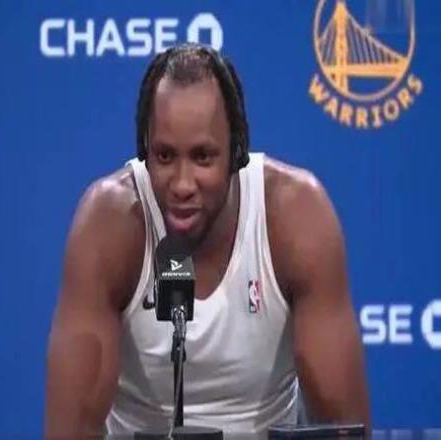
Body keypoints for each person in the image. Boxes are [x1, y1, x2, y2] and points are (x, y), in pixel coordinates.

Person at [45, 43, 370, 438]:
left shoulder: (296, 217)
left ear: (237, 151)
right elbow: (70, 431)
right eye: (165, 156)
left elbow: (344, 428)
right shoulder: (109, 224)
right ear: (145, 149)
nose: (182, 185)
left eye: (202, 157)